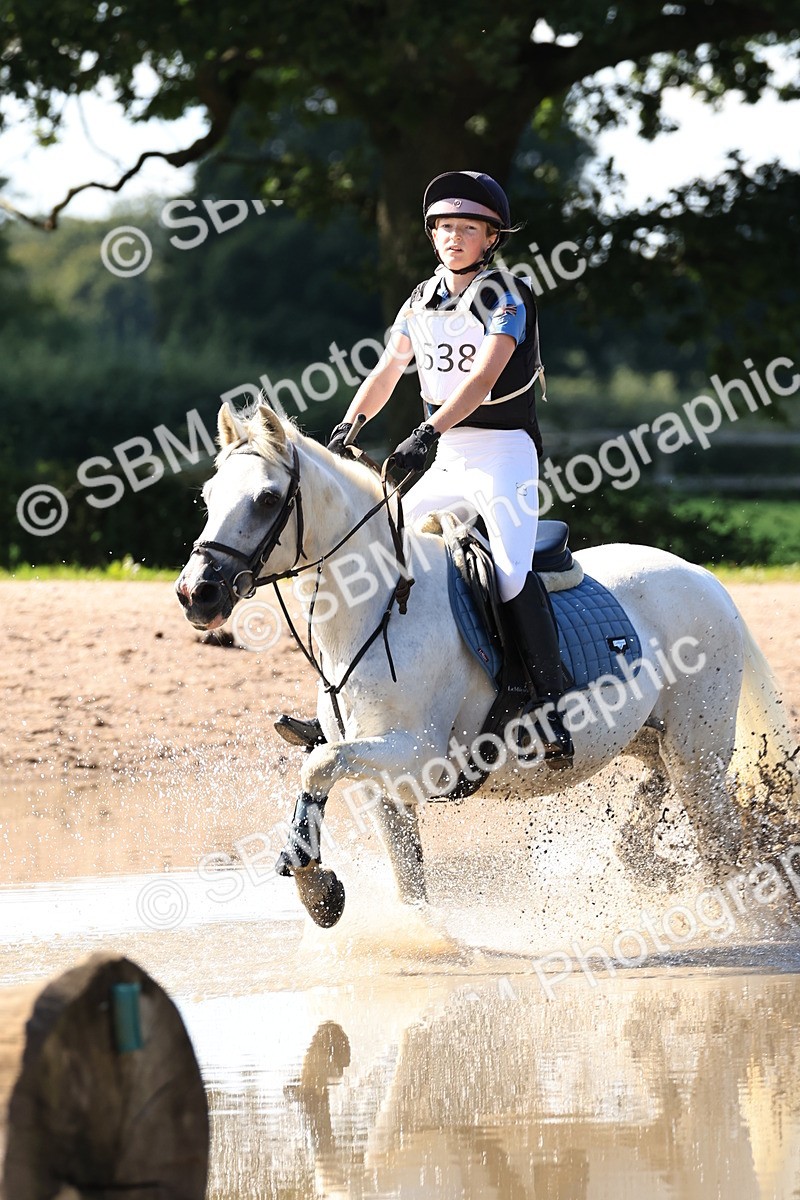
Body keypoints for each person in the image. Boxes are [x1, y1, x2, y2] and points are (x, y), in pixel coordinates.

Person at [286, 170, 573, 762]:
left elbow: (485, 376)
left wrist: (427, 430)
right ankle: (341, 704)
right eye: (444, 227)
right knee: (376, 553)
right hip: (449, 455)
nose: (453, 238)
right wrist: (348, 425)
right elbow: (388, 370)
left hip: (503, 455)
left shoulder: (507, 295)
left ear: (491, 238)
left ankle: (549, 703)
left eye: (468, 228)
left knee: (510, 573)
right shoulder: (420, 299)